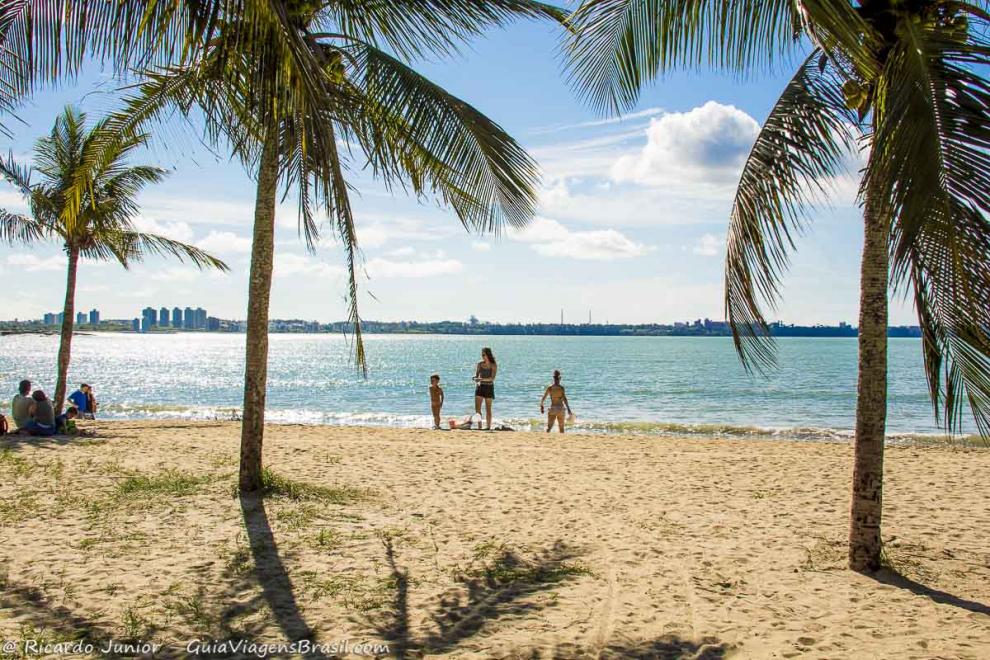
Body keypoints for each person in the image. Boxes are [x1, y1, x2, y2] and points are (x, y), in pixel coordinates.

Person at [540, 369, 573, 434]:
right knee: (561, 429)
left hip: (553, 409)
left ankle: (545, 440)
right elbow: (564, 399)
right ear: (560, 378)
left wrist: (541, 405)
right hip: (560, 409)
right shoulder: (561, 388)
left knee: (549, 428)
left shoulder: (550, 388)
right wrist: (569, 409)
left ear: (553, 378)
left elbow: (544, 398)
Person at [473, 347, 497, 431]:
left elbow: (492, 378)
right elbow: (476, 375)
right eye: (482, 355)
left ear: (488, 355)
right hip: (480, 387)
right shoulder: (480, 364)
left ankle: (488, 427)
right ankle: (479, 427)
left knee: (488, 409)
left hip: (489, 387)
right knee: (477, 409)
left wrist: (481, 379)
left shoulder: (493, 365)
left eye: (484, 355)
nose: (482, 356)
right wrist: (475, 378)